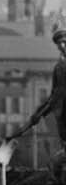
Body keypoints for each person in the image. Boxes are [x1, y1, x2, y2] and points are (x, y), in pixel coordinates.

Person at [20, 27, 66, 176]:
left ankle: (56, 165)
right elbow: (55, 95)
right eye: (59, 45)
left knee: (58, 161)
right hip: (63, 116)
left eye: (64, 42)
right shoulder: (59, 68)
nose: (62, 47)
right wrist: (39, 113)